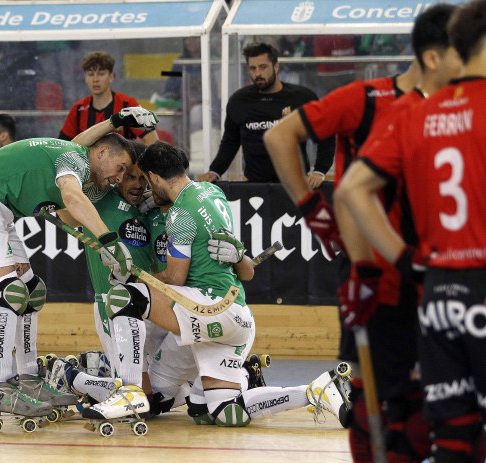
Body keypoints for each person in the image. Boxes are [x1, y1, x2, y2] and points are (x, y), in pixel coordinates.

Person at [263, 6, 457, 462]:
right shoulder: (367, 99)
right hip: (372, 268)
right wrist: (312, 206)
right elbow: (279, 137)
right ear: (433, 57)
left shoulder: (454, 108)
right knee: (375, 401)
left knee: (430, 399)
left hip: (433, 269)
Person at [81, 141, 351, 430]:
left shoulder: (180, 216)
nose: (144, 188)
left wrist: (132, 278)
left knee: (124, 298)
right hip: (237, 316)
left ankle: (128, 392)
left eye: (146, 180)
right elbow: (245, 273)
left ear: (155, 178)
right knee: (223, 411)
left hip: (208, 308)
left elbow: (175, 280)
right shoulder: (213, 192)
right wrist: (240, 256)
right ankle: (316, 391)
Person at [336, 2, 486, 461]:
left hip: (438, 293)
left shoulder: (415, 112)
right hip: (483, 279)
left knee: (451, 435)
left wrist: (403, 258)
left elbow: (351, 190)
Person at [0, 107, 158, 421]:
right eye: (121, 167)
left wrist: (115, 122)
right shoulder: (74, 160)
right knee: (10, 291)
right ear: (101, 153)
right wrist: (109, 241)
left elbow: (84, 154)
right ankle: (0, 386)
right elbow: (72, 198)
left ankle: (29, 379)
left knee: (31, 290)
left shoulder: (78, 154)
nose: (121, 178)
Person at [198, 42, 334, 186]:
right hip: (254, 187)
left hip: (295, 186)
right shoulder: (239, 101)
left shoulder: (301, 98)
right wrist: (215, 171)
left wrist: (320, 170)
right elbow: (230, 141)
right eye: (253, 68)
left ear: (276, 66)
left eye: (263, 67)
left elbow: (326, 134)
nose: (258, 74)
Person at [59, 51, 159, 146]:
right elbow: (63, 146)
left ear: (111, 76)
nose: (95, 79)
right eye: (90, 74)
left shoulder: (128, 104)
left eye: (101, 74)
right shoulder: (78, 109)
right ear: (85, 77)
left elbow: (153, 142)